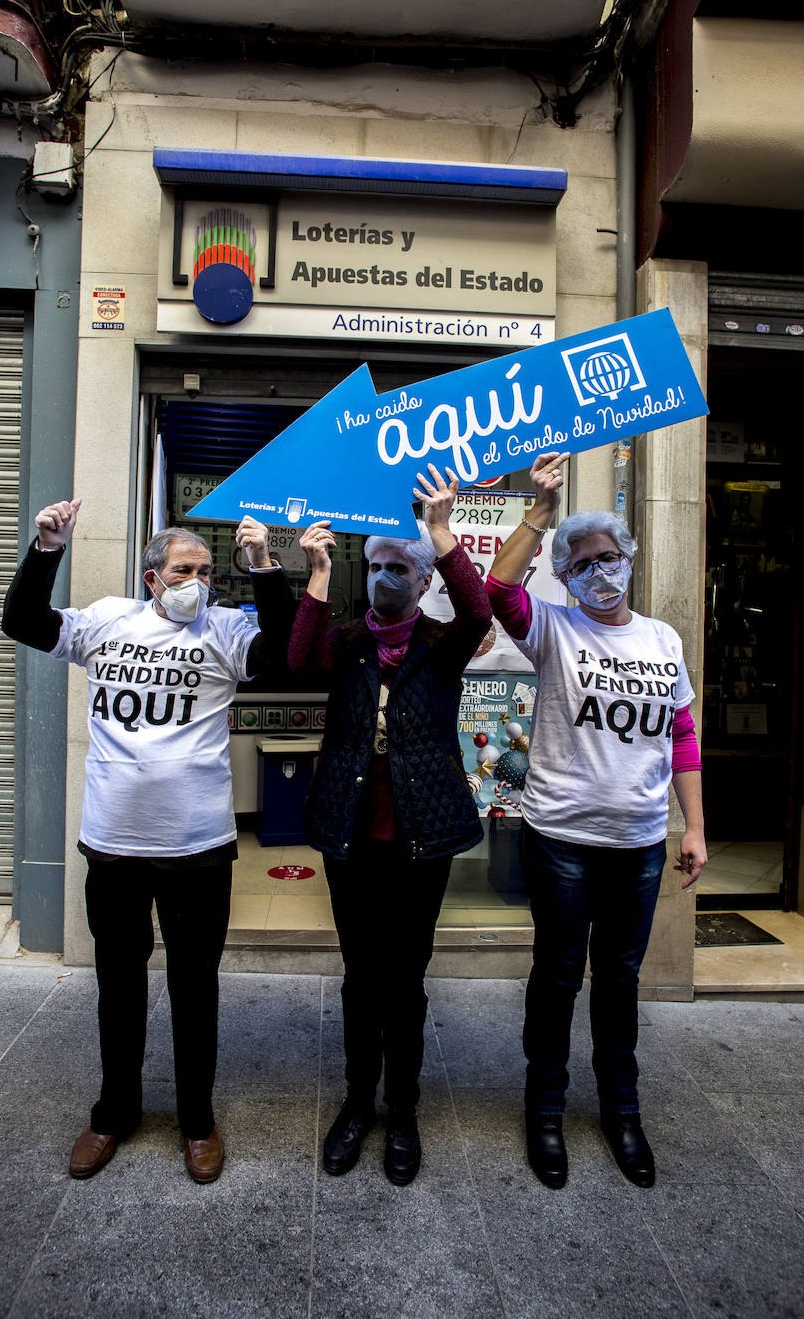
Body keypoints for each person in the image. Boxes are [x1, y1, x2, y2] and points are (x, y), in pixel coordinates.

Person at [1, 499, 294, 1183]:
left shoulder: (224, 628)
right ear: (152, 576)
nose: (197, 581)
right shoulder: (108, 619)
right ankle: (115, 1112)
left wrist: (263, 567)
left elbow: (282, 658)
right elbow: (22, 621)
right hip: (114, 844)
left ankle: (198, 1120)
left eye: (205, 571)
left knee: (195, 987)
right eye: (183, 570)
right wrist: (47, 549)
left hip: (197, 848)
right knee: (118, 983)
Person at [487, 451, 706, 1191]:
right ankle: (544, 1110)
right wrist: (540, 513)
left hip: (640, 844)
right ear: (566, 577)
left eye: (609, 558)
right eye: (581, 565)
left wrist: (694, 827)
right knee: (557, 975)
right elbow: (495, 588)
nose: (599, 572)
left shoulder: (662, 641)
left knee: (619, 978)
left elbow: (681, 734)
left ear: (630, 560)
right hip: (562, 841)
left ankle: (622, 1111)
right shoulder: (552, 629)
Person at [291, 464, 491, 1186]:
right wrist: (315, 573)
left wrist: (441, 534)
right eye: (374, 564)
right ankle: (356, 1106)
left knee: (405, 980)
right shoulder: (344, 643)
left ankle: (400, 1109)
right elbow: (297, 658)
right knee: (359, 977)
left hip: (421, 836)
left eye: (398, 566)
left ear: (423, 576)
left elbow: (479, 615)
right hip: (350, 834)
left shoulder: (443, 644)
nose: (385, 576)